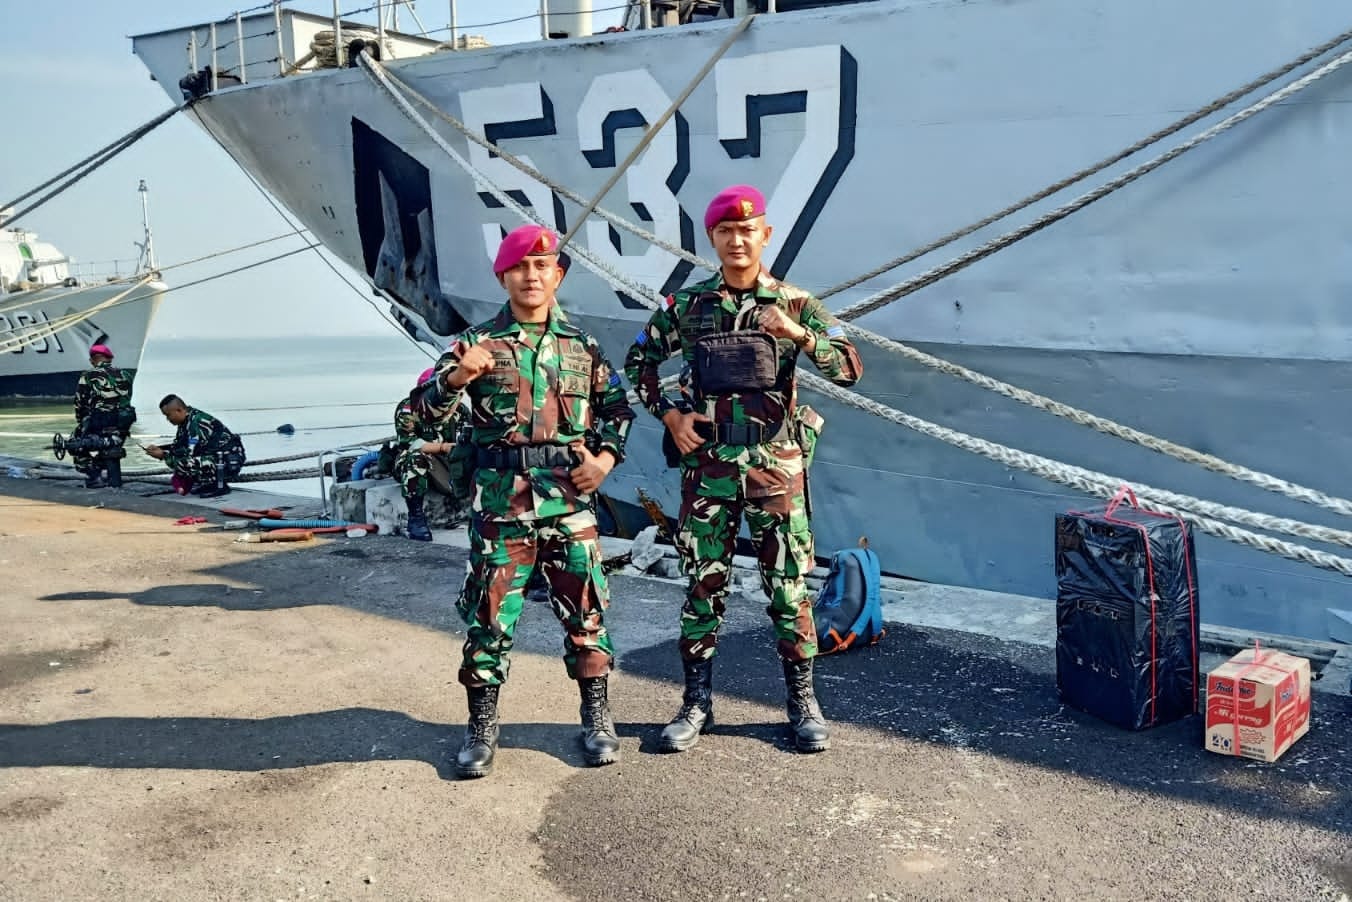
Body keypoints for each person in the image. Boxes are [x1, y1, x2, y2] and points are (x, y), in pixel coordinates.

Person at [623, 184, 864, 754]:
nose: (737, 240)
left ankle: (803, 703)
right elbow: (639, 360)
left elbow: (850, 368)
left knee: (787, 588)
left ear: (765, 235)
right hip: (708, 468)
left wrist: (798, 335)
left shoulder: (797, 303)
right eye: (725, 231)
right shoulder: (687, 307)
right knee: (703, 586)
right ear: (712, 238)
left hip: (775, 466)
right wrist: (671, 415)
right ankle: (695, 703)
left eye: (747, 230)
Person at [412, 223, 634, 779]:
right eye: (519, 268)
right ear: (503, 278)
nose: (531, 276)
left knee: (587, 612)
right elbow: (415, 417)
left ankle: (596, 719)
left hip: (570, 505)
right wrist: (456, 379)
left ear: (557, 275)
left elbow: (617, 411)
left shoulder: (582, 346)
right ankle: (481, 727)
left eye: (541, 267)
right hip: (501, 506)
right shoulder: (476, 344)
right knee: (489, 618)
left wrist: (604, 461)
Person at [393, 367, 470, 541]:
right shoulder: (408, 408)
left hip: (449, 461)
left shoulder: (460, 411)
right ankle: (416, 518)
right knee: (415, 459)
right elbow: (410, 443)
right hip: (421, 459)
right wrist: (443, 447)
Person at [143, 395, 247, 498]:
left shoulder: (196, 423)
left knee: (184, 464)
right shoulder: (186, 421)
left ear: (179, 410)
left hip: (229, 461)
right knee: (184, 460)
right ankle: (211, 484)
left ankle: (220, 486)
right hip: (218, 458)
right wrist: (161, 448)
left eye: (168, 415)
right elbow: (181, 445)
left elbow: (189, 454)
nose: (167, 419)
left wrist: (163, 455)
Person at [71, 344, 136, 488]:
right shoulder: (126, 374)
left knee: (74, 445)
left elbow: (80, 404)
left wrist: (82, 423)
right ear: (110, 359)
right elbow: (127, 399)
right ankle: (102, 468)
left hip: (100, 421)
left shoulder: (88, 376)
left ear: (93, 360)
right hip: (123, 423)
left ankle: (93, 475)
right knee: (110, 446)